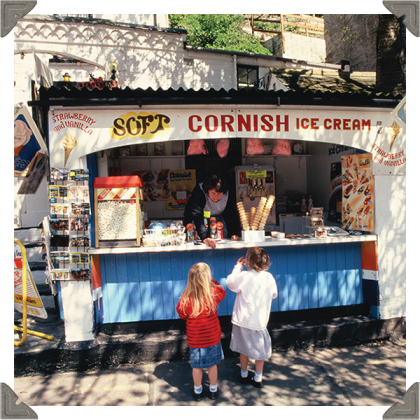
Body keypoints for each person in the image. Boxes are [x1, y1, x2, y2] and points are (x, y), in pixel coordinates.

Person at [226, 247, 278, 388]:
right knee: (259, 353)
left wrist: (238, 267)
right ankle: (258, 378)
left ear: (247, 262)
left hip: (242, 320)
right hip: (259, 321)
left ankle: (243, 374)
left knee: (244, 349)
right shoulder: (269, 278)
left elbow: (230, 282)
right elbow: (274, 294)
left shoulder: (244, 276)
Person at [176, 262, 226, 401]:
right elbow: (222, 291)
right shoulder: (213, 293)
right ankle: (213, 390)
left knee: (196, 367)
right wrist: (212, 281)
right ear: (207, 279)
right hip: (212, 338)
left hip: (196, 340)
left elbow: (181, 313)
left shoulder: (186, 297)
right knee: (212, 366)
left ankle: (197, 391)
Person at [184, 172, 241, 249]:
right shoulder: (199, 191)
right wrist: (205, 237)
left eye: (219, 193)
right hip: (199, 223)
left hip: (218, 224)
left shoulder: (227, 193)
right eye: (213, 193)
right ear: (207, 190)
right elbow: (197, 215)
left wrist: (234, 233)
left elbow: (231, 214)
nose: (216, 197)